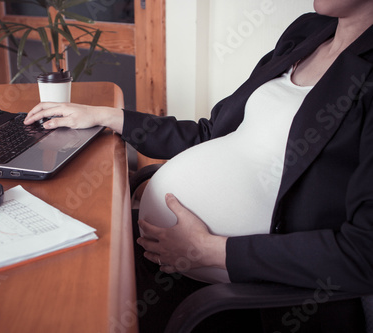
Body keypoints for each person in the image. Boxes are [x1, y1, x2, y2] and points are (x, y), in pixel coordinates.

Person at [25, 0, 373, 331]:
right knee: (68, 250)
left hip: (247, 294)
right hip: (172, 252)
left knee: (83, 293)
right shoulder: (309, 32)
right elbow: (211, 132)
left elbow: (364, 253)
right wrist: (106, 116)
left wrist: (209, 249)